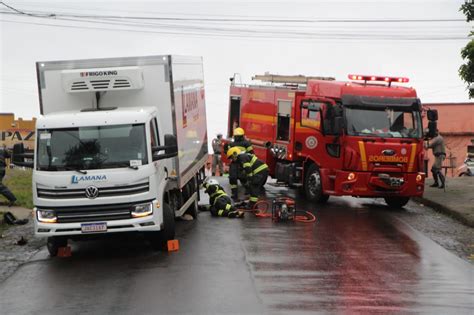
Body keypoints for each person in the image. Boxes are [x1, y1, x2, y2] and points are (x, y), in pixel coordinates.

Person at [227, 127, 254, 200]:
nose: (237, 138)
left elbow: (251, 153)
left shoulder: (246, 143)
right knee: (233, 178)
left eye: (238, 136)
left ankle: (247, 190)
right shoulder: (232, 144)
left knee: (243, 178)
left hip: (242, 162)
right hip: (235, 163)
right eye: (236, 136)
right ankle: (234, 194)